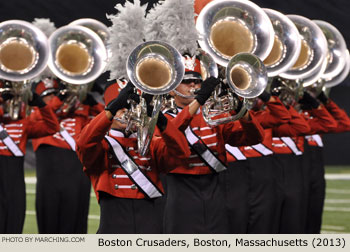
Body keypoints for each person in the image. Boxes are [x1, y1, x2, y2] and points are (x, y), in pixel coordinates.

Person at [162, 57, 265, 233]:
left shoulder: (214, 116)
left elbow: (254, 138)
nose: (193, 86)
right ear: (172, 91)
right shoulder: (165, 118)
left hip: (216, 189)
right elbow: (172, 133)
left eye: (197, 81)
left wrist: (240, 108)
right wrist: (199, 100)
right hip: (181, 191)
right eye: (186, 82)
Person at [76, 80, 191, 234]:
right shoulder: (102, 145)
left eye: (130, 107)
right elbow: (84, 143)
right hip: (113, 224)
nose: (126, 111)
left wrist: (160, 119)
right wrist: (112, 109)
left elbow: (182, 153)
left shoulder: (151, 143)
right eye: (120, 107)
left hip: (150, 224)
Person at [30, 79, 103, 234]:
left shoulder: (81, 114)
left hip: (77, 174)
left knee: (76, 223)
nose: (51, 99)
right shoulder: (40, 118)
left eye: (54, 95)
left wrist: (94, 101)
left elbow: (103, 121)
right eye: (47, 96)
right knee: (49, 225)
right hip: (50, 174)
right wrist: (60, 98)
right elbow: (40, 114)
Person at [0, 80, 59, 234]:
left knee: (15, 225)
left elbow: (53, 127)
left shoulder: (25, 124)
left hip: (15, 181)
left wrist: (41, 104)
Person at [303, 91, 350, 233]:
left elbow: (345, 123)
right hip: (297, 169)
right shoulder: (292, 116)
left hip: (316, 171)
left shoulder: (319, 118)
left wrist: (324, 101)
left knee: (315, 215)